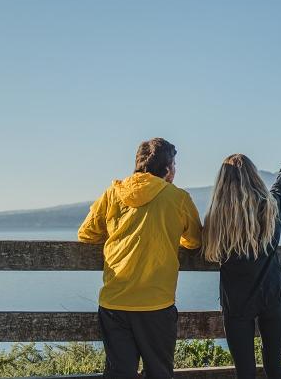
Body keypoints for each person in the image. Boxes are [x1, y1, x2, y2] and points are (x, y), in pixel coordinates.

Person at [78, 138, 202, 379]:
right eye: (174, 165)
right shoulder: (178, 198)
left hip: (115, 302)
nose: (175, 170)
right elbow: (194, 241)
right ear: (167, 170)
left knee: (119, 373)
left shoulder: (113, 193)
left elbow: (86, 233)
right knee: (159, 372)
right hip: (156, 303)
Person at [201, 154, 281, 379]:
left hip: (236, 303)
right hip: (272, 296)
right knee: (275, 368)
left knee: (244, 373)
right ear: (254, 178)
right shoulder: (270, 210)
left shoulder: (216, 219)